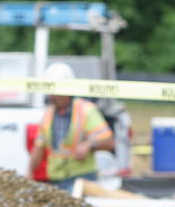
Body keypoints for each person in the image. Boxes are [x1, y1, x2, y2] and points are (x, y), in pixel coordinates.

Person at [28, 62, 115, 192]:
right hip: (56, 181)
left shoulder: (85, 110)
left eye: (54, 91)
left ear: (67, 90)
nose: (51, 96)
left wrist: (88, 145)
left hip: (83, 180)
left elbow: (108, 141)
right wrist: (29, 176)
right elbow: (38, 148)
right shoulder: (48, 114)